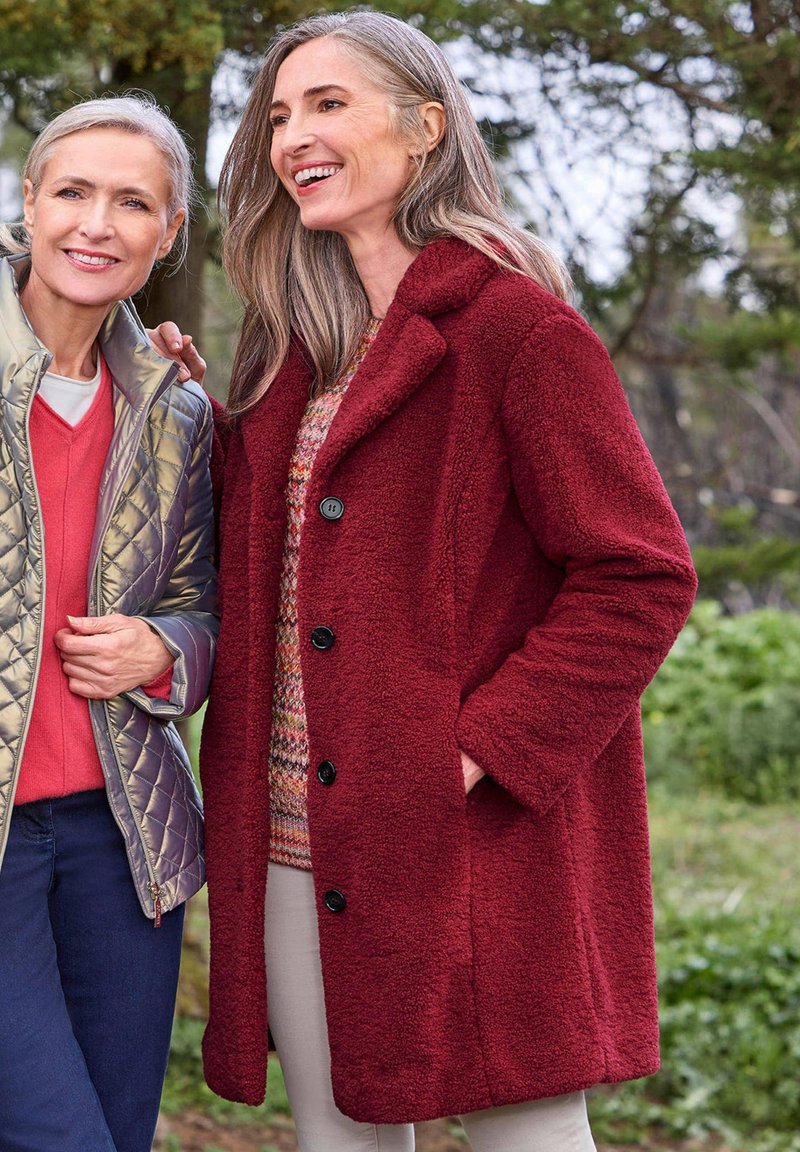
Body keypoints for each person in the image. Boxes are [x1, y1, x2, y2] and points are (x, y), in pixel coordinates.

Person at [162, 10, 697, 1150]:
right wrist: (166, 403)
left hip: (473, 842)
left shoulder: (519, 332)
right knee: (339, 1139)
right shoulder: (291, 354)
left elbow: (639, 577)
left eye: (328, 104)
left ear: (426, 127)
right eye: (278, 116)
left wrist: (471, 752)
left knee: (525, 1143)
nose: (292, 137)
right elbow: (267, 563)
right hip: (297, 840)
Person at [0, 95, 217, 1152]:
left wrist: (166, 651)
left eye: (132, 203)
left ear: (168, 233)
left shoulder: (178, 409)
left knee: (119, 1134)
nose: (96, 224)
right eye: (73, 193)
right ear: (28, 204)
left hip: (125, 840)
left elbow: (203, 601)